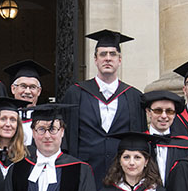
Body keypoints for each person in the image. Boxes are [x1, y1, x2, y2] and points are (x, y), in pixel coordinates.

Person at [61, 29, 146, 182]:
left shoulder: (133, 96)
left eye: (112, 54)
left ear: (120, 60)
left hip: (122, 176)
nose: (108, 58)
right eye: (103, 54)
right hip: (84, 174)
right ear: (95, 59)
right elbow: (67, 137)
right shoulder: (76, 93)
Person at [141, 90, 188, 185]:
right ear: (148, 112)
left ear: (174, 115)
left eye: (169, 111)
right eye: (158, 110)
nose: (164, 116)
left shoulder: (187, 147)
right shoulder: (139, 143)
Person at [5, 60, 51, 145]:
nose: (27, 91)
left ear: (39, 91)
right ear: (13, 89)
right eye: (23, 86)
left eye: (32, 87)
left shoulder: (49, 119)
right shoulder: (2, 119)